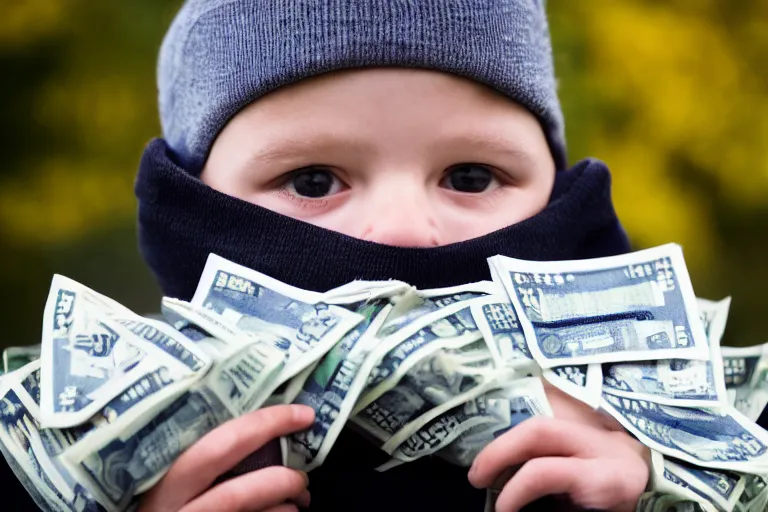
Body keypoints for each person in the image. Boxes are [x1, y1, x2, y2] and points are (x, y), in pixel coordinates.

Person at [0, 0, 760, 511]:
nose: (401, 231)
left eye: (470, 176)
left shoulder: (708, 437)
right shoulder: (57, 443)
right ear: (190, 210)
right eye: (313, 180)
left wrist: (670, 493)